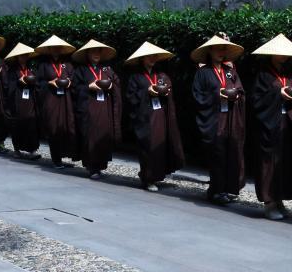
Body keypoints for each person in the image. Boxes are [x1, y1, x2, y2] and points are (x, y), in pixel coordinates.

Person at [249, 34, 292, 220]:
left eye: (286, 54)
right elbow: (257, 101)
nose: (283, 56)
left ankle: (280, 200)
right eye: (280, 53)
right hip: (269, 127)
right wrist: (278, 93)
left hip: (287, 126)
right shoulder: (263, 75)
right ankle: (269, 203)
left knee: (285, 163)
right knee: (269, 164)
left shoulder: (290, 75)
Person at [191, 34, 246, 205]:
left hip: (231, 119)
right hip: (214, 120)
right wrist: (217, 95)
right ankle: (216, 191)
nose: (221, 52)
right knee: (217, 155)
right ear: (210, 50)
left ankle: (229, 189)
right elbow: (197, 96)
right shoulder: (203, 73)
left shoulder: (230, 72)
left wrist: (236, 94)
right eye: (218, 48)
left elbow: (241, 91)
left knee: (232, 153)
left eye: (224, 49)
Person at [124, 41, 184, 191]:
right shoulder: (135, 77)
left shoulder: (161, 75)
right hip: (145, 118)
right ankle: (148, 178)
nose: (152, 58)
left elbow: (168, 90)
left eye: (154, 55)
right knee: (147, 148)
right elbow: (130, 98)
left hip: (161, 117)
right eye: (148, 56)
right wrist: (146, 92)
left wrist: (166, 91)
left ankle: (157, 176)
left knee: (160, 146)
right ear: (142, 58)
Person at [71, 39, 123, 180]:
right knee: (91, 136)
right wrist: (88, 87)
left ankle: (101, 166)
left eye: (98, 51)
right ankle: (92, 167)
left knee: (103, 136)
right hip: (89, 109)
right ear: (87, 53)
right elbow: (74, 89)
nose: (96, 54)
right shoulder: (81, 70)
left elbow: (116, 82)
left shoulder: (106, 69)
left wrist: (112, 86)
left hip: (104, 108)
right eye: (93, 51)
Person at [34, 35, 78, 168]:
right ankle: (56, 159)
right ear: (49, 49)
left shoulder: (68, 65)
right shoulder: (44, 65)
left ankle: (64, 157)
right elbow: (38, 83)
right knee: (53, 128)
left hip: (66, 101)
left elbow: (73, 79)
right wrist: (49, 83)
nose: (55, 50)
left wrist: (70, 82)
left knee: (66, 127)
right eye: (53, 48)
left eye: (58, 48)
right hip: (51, 100)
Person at [3, 42, 42, 160]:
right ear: (17, 57)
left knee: (32, 124)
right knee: (18, 125)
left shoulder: (32, 69)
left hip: (30, 101)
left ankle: (32, 150)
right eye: (21, 55)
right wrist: (18, 82)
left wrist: (33, 82)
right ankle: (17, 149)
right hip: (17, 101)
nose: (23, 57)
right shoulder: (12, 71)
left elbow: (38, 83)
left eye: (25, 55)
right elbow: (7, 85)